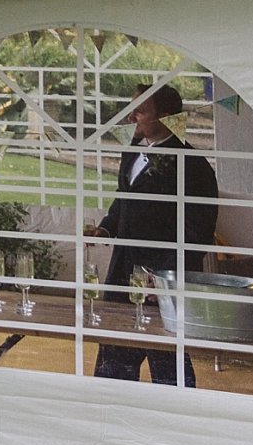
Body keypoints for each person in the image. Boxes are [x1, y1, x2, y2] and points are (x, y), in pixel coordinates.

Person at [86, 83, 221, 387]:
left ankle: (176, 424)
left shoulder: (193, 166)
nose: (131, 117)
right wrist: (107, 226)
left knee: (168, 365)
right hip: (122, 273)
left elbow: (198, 233)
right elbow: (124, 198)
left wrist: (164, 279)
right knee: (113, 362)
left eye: (141, 111)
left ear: (168, 117)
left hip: (162, 284)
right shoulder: (132, 151)